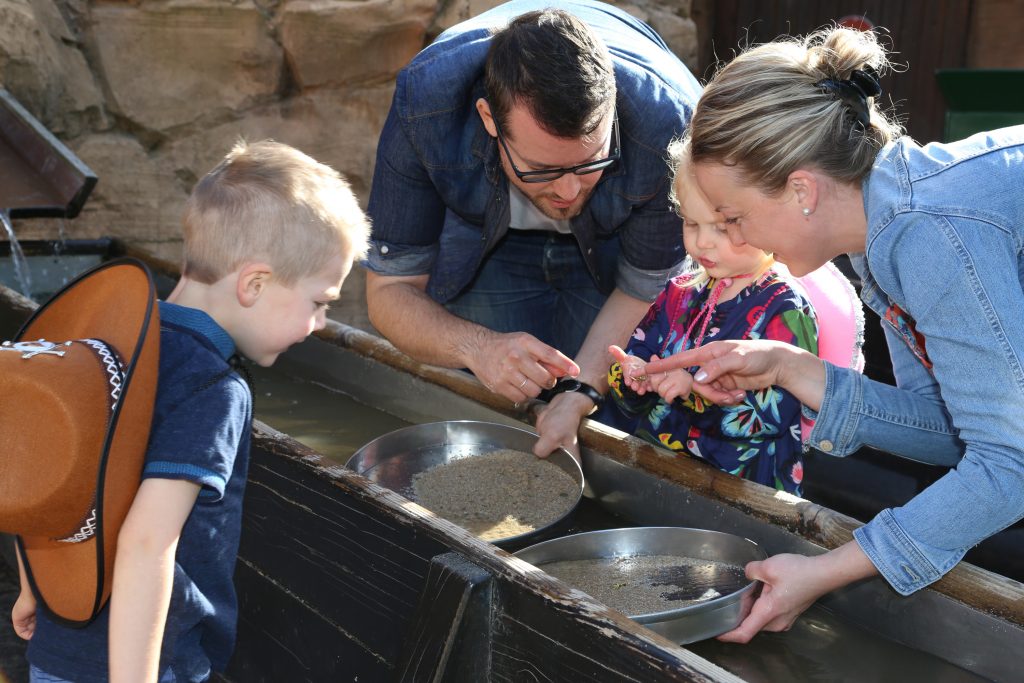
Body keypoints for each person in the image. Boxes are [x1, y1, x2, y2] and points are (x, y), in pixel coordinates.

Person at [644, 25, 1024, 643]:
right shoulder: (883, 232)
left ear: (801, 189)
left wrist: (825, 571)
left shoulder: (930, 237)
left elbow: (1010, 467)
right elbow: (953, 431)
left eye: (735, 217)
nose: (738, 241)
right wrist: (787, 367)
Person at [14, 140, 371, 682]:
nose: (320, 324)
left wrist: (32, 582)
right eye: (320, 302)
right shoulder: (211, 386)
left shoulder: (106, 343)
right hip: (147, 663)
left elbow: (33, 464)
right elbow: (146, 542)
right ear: (254, 284)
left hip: (58, 646)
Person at [363, 0, 702, 458]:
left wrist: (581, 392)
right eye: (541, 168)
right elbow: (390, 290)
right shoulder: (426, 103)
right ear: (488, 119)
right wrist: (476, 347)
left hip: (615, 248)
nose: (567, 191)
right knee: (494, 412)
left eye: (590, 162)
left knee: (605, 414)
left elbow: (648, 288)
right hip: (485, 246)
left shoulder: (668, 123)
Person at [597, 138, 818, 495]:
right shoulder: (678, 293)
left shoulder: (786, 308)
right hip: (658, 475)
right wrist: (633, 376)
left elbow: (771, 417)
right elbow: (639, 358)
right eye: (691, 223)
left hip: (740, 492)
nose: (703, 243)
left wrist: (691, 391)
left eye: (722, 227)